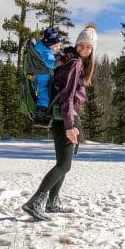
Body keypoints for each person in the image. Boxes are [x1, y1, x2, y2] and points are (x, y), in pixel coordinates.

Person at [22, 23, 97, 221]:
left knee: (63, 162)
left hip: (62, 117)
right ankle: (35, 201)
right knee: (64, 165)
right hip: (64, 118)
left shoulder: (69, 60)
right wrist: (70, 125)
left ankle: (52, 201)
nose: (84, 49)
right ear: (77, 44)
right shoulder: (75, 64)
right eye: (82, 44)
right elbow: (68, 95)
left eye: (89, 47)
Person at [32, 27, 64, 126]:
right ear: (49, 45)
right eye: (55, 46)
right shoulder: (46, 52)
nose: (58, 48)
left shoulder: (43, 47)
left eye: (59, 45)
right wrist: (59, 62)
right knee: (44, 92)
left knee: (46, 91)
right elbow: (50, 63)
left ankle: (46, 110)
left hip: (43, 74)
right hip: (43, 76)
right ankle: (41, 113)